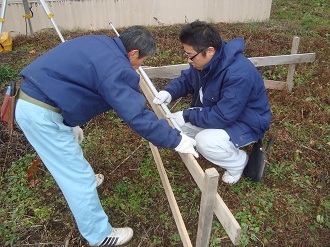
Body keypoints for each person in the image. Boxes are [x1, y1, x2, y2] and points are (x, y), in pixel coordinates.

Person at [15, 25, 198, 246]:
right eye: (141, 61)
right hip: (41, 114)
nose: (139, 67)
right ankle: (99, 235)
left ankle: (87, 179)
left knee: (73, 139)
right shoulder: (116, 68)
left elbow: (78, 76)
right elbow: (137, 115)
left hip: (40, 96)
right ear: (133, 53)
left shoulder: (101, 42)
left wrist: (68, 122)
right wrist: (176, 139)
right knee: (76, 178)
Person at [153, 21, 271, 185]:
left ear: (209, 51)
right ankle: (220, 148)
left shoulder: (238, 75)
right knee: (174, 124)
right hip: (220, 112)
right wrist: (169, 92)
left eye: (190, 55)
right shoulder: (205, 62)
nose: (188, 60)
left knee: (205, 141)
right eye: (186, 54)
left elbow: (224, 116)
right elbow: (188, 79)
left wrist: (187, 115)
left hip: (246, 122)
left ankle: (239, 162)